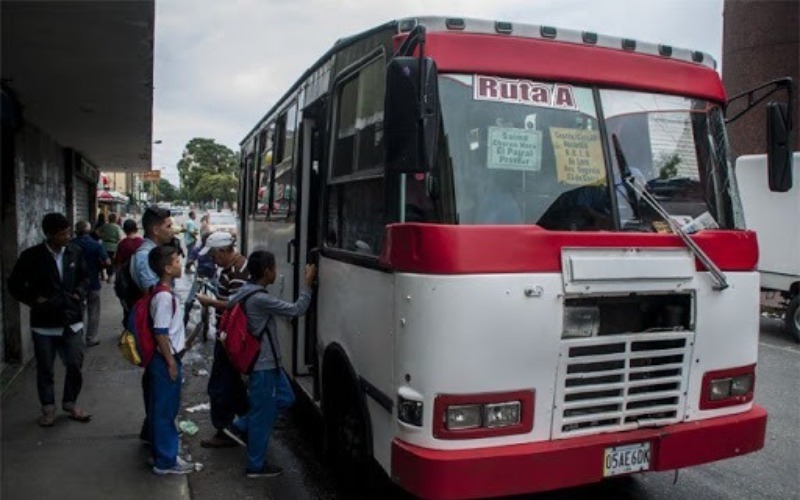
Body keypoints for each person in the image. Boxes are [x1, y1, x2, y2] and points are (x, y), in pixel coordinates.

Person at [223, 251, 316, 477]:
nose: (276, 271)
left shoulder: (246, 290)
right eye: (274, 268)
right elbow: (296, 310)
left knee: (286, 397)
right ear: (266, 272)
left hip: (270, 364)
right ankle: (255, 466)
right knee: (261, 418)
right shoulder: (260, 299)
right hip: (262, 366)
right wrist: (308, 284)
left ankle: (240, 426)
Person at [7, 213, 92, 426]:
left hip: (72, 321)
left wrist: (78, 294)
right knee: (45, 369)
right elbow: (14, 285)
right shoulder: (31, 256)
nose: (67, 236)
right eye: (62, 234)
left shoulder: (75, 252)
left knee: (74, 364)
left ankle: (70, 403)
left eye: (68, 232)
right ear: (49, 235)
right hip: (44, 325)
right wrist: (35, 300)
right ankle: (48, 408)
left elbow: (85, 277)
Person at [195, 231, 249, 448]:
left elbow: (234, 305)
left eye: (214, 255)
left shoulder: (237, 272)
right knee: (233, 385)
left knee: (219, 386)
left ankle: (225, 431)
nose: (212, 260)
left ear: (223, 251)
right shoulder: (233, 268)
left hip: (229, 337)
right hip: (227, 334)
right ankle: (243, 425)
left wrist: (209, 302)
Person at [146, 245, 196, 475]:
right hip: (165, 359)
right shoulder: (164, 297)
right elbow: (160, 332)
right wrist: (171, 362)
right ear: (167, 268)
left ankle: (161, 454)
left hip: (163, 358)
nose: (180, 264)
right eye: (176, 261)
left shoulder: (162, 292)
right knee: (166, 411)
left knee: (161, 409)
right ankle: (166, 462)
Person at [131, 206, 175, 442]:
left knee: (156, 387)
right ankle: (157, 438)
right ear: (156, 230)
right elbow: (155, 297)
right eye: (168, 226)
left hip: (156, 333)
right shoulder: (145, 257)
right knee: (158, 387)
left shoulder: (152, 253)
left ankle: (152, 430)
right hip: (153, 335)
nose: (172, 230)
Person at [72, 220, 111, 347]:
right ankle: (91, 337)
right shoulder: (95, 245)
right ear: (89, 231)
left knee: (77, 311)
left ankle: (76, 337)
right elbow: (107, 262)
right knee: (93, 310)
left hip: (75, 286)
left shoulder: (70, 245)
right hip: (93, 282)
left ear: (76, 231)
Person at [97, 212, 124, 283]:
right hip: (113, 247)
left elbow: (97, 232)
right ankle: (109, 277)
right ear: (116, 219)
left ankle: (103, 275)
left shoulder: (105, 226)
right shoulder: (117, 227)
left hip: (104, 246)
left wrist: (103, 236)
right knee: (111, 262)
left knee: (104, 260)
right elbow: (120, 238)